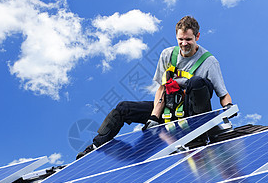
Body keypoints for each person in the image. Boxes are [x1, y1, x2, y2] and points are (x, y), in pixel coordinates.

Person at [76, 16, 233, 159]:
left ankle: (198, 133)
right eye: (181, 39)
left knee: (197, 82)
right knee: (123, 108)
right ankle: (95, 146)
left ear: (197, 37)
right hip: (169, 110)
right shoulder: (167, 55)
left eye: (188, 39)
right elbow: (161, 88)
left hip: (192, 113)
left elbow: (223, 94)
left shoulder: (209, 62)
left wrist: (229, 111)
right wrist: (154, 118)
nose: (184, 43)